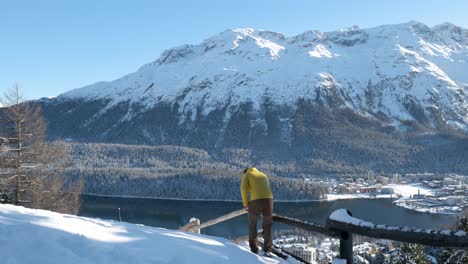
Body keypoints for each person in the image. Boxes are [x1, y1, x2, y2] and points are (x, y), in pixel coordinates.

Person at [240, 167, 274, 256]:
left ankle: (254, 249)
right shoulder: (263, 175)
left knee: (253, 224)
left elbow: (244, 189)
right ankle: (267, 250)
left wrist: (245, 203)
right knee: (267, 225)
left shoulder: (247, 174)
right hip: (269, 200)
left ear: (245, 171)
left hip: (256, 201)